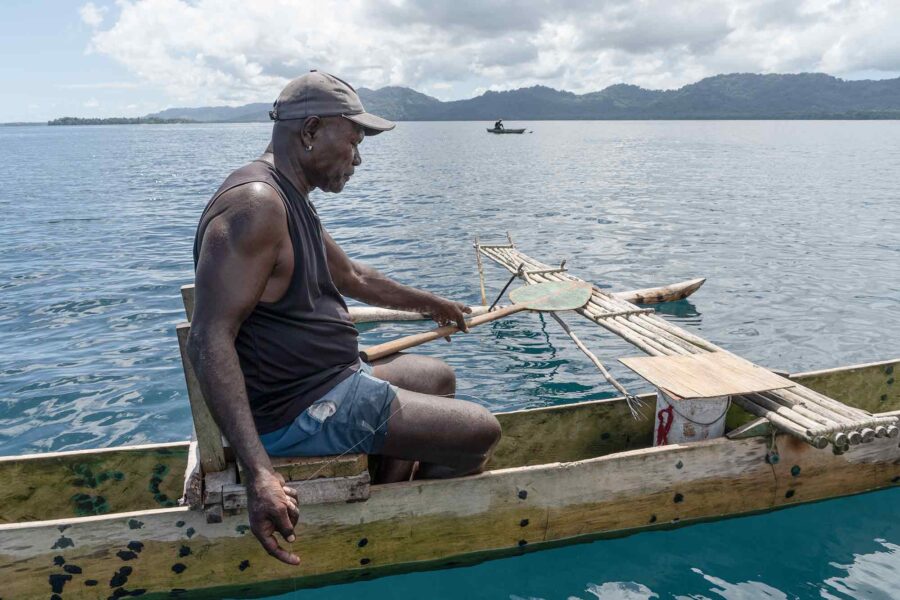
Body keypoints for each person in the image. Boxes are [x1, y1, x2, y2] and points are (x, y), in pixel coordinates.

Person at [187, 71, 502, 565]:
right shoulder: (257, 206)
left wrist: (432, 303)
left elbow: (353, 275)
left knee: (439, 377)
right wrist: (260, 473)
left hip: (328, 380)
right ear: (310, 131)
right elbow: (209, 339)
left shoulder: (291, 196)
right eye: (353, 140)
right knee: (482, 431)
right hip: (299, 409)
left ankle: (390, 492)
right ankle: (402, 535)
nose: (358, 158)